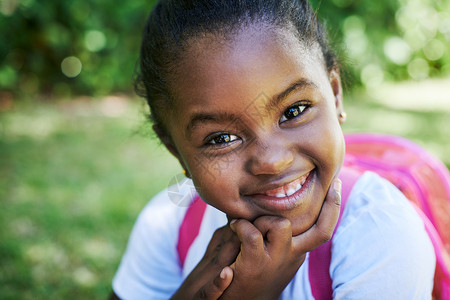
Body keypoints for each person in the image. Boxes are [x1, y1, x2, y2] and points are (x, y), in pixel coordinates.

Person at [110, 0, 436, 299]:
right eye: (222, 138)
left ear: (335, 95)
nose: (273, 161)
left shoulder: (380, 234)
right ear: (176, 152)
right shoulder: (170, 224)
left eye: (294, 111)